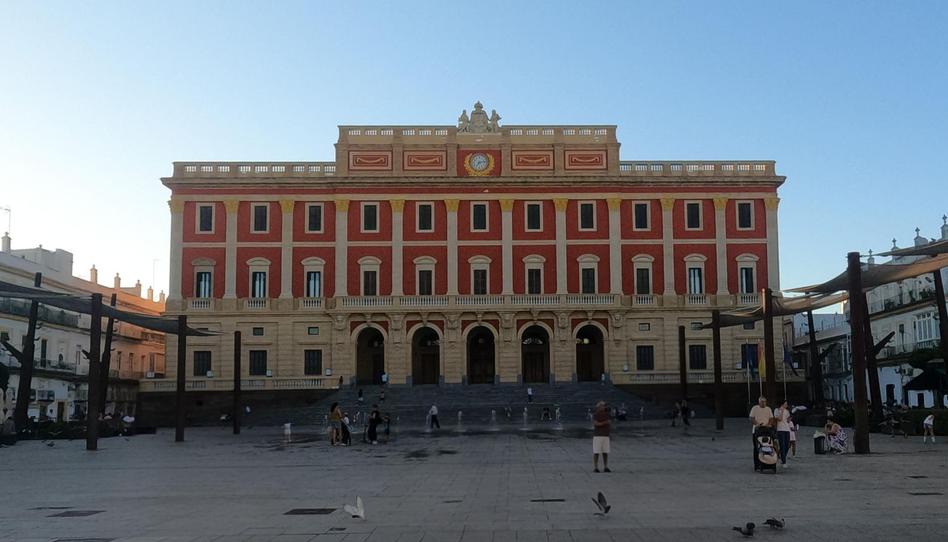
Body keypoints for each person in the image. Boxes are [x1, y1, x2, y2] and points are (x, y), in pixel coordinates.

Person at [749, 396, 775, 471]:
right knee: (756, 447)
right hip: (757, 430)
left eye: (765, 402)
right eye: (762, 402)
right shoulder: (755, 408)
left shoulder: (768, 409)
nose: (764, 403)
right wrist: (757, 424)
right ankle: (757, 465)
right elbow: (751, 418)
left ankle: (769, 462)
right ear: (759, 402)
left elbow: (771, 418)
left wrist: (769, 424)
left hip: (766, 430)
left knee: (769, 445)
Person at [592, 401, 611, 473]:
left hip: (605, 435)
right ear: (599, 407)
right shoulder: (596, 414)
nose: (604, 407)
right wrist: (605, 423)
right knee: (596, 452)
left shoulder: (607, 414)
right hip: (598, 435)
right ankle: (596, 467)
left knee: (605, 452)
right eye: (603, 405)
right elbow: (596, 424)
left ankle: (605, 466)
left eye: (604, 406)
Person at [774, 400, 792, 468]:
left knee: (787, 445)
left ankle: (781, 457)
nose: (786, 405)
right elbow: (779, 419)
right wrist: (781, 411)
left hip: (787, 429)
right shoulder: (777, 410)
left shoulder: (787, 411)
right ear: (782, 404)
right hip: (780, 430)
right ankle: (784, 462)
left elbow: (788, 421)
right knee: (782, 446)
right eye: (785, 404)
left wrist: (789, 418)